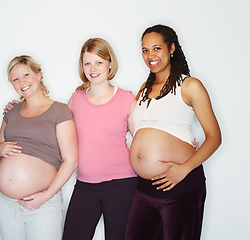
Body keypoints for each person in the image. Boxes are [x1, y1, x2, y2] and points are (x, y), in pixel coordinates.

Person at [125, 24, 221, 240]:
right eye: (145, 50)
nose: (150, 55)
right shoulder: (143, 88)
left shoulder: (190, 86)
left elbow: (215, 137)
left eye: (156, 48)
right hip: (144, 189)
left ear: (172, 48)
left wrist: (184, 169)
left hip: (180, 186)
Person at [0, 55, 78, 240]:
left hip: (42, 203)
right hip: (5, 202)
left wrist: (46, 196)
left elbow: (71, 161)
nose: (21, 82)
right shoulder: (11, 112)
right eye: (15, 79)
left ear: (39, 74)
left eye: (26, 74)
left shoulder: (59, 110)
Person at [62, 38, 138, 240]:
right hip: (85, 184)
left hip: (122, 184)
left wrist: (178, 145)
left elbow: (142, 138)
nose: (92, 68)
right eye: (87, 63)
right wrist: (21, 106)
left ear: (110, 64)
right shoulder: (76, 98)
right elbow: (56, 130)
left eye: (99, 62)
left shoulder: (127, 98)